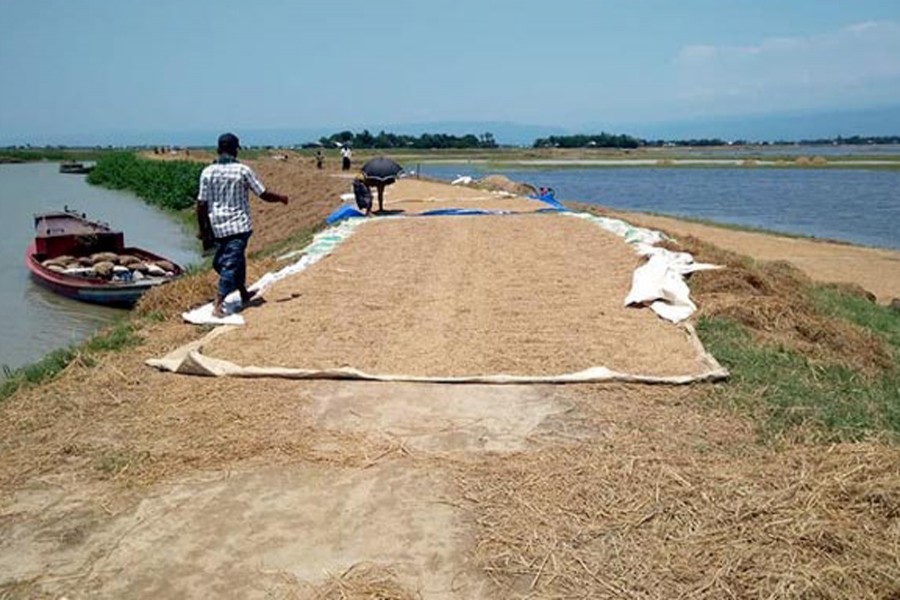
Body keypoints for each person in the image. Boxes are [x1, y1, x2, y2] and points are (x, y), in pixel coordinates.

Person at [196, 132, 289, 318]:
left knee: (232, 261)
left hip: (218, 227)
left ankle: (243, 293)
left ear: (218, 149)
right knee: (229, 264)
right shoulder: (243, 171)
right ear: (235, 150)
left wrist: (203, 230)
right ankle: (218, 304)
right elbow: (263, 194)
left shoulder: (207, 172)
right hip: (239, 226)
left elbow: (201, 204)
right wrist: (281, 198)